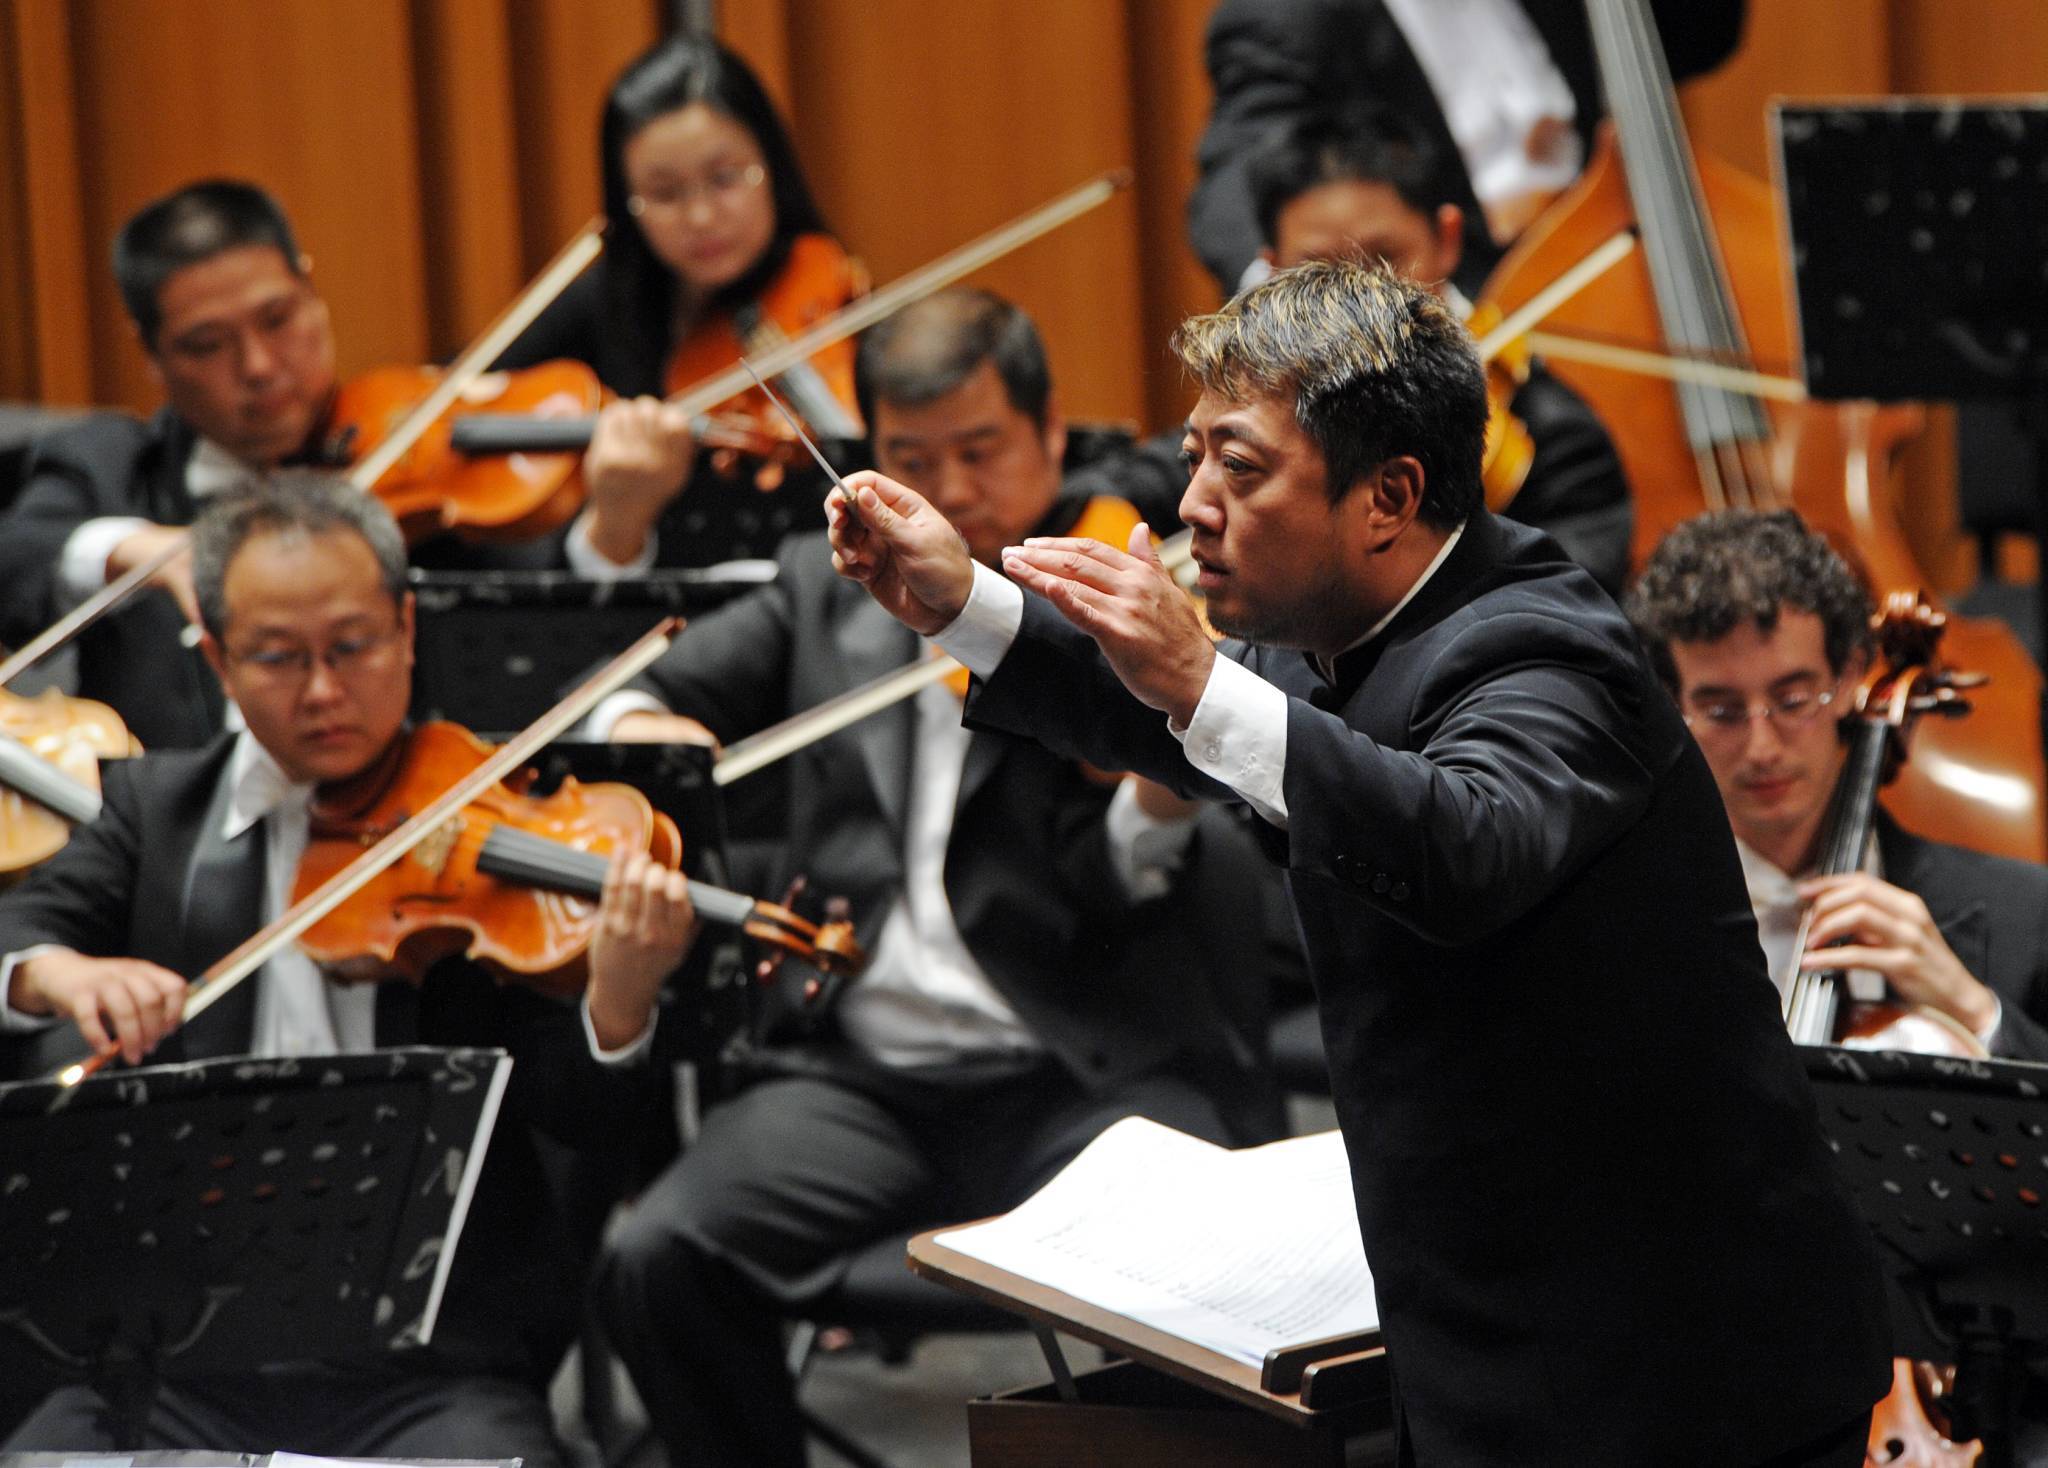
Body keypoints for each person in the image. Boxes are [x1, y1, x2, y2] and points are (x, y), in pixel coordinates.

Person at [826, 258, 1890, 1465]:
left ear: (1387, 496)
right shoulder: (1342, 630)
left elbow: (1460, 844)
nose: (1193, 506)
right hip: (1493, 1328)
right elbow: (1180, 716)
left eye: (1240, 467)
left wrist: (1199, 682)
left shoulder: (1543, 650)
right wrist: (961, 602)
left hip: (1688, 1367)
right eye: (1193, 457)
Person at [584, 287, 1278, 1467]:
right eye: (911, 458)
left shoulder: (1106, 587)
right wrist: (653, 734)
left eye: (979, 449)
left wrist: (1163, 783)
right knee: (656, 1257)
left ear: (1048, 434)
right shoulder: (824, 586)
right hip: (861, 1082)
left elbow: (1130, 865)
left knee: (1216, 1267)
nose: (949, 488)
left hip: (1075, 1066)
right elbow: (628, 697)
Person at [0, 474, 693, 1463]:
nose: (323, 690)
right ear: (216, 658)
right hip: (176, 1365)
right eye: (279, 657)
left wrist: (619, 1005)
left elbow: (580, 1118)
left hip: (432, 1369)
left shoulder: (491, 814)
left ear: (407, 629)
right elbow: (23, 926)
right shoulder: (157, 813)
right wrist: (57, 974)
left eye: (354, 645)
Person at [0, 179, 658, 751]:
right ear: (151, 354)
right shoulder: (112, 467)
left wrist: (615, 527)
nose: (258, 366)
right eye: (207, 345)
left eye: (277, 319)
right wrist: (147, 552)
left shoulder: (426, 467)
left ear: (311, 291)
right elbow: (17, 558)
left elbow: (554, 639)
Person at [1079, 107, 1631, 593]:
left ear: (1447, 239)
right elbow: (1113, 489)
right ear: (1272, 271)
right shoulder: (1267, 413)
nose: (1358, 295)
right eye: (1320, 269)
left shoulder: (1559, 441)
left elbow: (1559, 607)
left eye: (1384, 259)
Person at [1627, 508, 2048, 1059]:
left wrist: (1977, 1013)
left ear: (1849, 676)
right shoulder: (1629, 925)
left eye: (1793, 700)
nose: (1762, 748)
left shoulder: (2024, 911)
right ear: (1671, 704)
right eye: (1722, 711)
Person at [495, 33, 864, 574]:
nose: (701, 216)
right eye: (665, 193)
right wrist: (613, 523)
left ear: (772, 165)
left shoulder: (830, 294)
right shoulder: (600, 304)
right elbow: (477, 394)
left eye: (725, 179)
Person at [1186, 0, 1748, 296]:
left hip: (1619, 274)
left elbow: (1703, 34)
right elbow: (1238, 171)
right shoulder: (1287, 15)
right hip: (1466, 305)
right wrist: (1281, 307)